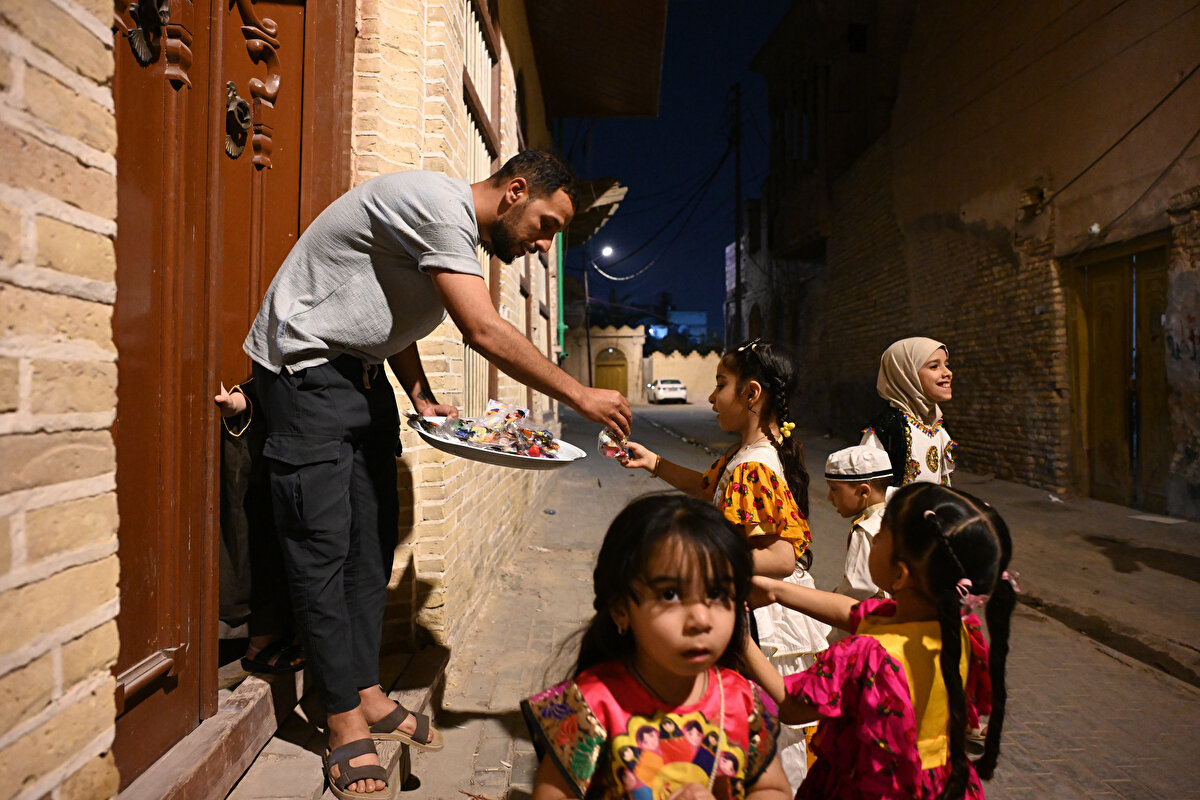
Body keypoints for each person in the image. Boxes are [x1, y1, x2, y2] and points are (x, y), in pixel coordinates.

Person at [241, 149, 633, 798]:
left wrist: (419, 393)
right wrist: (580, 396)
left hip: (360, 374)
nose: (542, 246)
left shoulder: (451, 231)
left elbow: (392, 313)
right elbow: (481, 329)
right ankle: (339, 719)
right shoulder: (438, 206)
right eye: (546, 226)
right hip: (305, 371)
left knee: (372, 544)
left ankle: (363, 689)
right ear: (514, 191)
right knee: (323, 547)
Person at [618, 338, 827, 790]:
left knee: (766, 731)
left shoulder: (756, 465)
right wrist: (652, 461)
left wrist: (710, 560)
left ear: (751, 394)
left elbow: (784, 556)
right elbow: (707, 486)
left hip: (763, 620)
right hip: (749, 604)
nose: (712, 397)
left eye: (720, 385)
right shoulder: (747, 454)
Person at [742, 483, 1017, 800]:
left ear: (899, 576)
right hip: (937, 784)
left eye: (881, 535)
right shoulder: (961, 627)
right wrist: (777, 591)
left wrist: (740, 637)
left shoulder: (868, 655)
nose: (873, 539)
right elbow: (857, 613)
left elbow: (790, 706)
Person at [520, 494, 791, 800]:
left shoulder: (742, 701)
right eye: (671, 594)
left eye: (717, 593)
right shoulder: (588, 708)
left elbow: (772, 789)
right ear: (621, 609)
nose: (700, 619)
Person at [213, 379, 304, 674]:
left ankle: (284, 635)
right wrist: (238, 403)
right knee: (258, 535)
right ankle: (260, 643)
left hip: (294, 435)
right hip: (260, 440)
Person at [860, 337, 956, 487]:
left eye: (946, 365)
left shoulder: (938, 427)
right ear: (905, 374)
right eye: (934, 366)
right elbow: (870, 494)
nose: (948, 373)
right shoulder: (887, 430)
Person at [823, 445, 892, 602]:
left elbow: (859, 587)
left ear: (863, 492)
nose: (829, 497)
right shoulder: (898, 515)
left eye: (834, 489)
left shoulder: (866, 529)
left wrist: (834, 597)